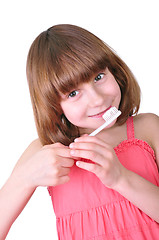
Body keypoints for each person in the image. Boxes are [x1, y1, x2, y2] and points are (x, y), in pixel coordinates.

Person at [0, 24, 159, 240]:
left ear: (114, 71)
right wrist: (22, 180)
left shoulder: (148, 128)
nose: (97, 99)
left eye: (99, 77)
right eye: (73, 93)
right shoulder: (44, 150)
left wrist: (121, 178)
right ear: (53, 106)